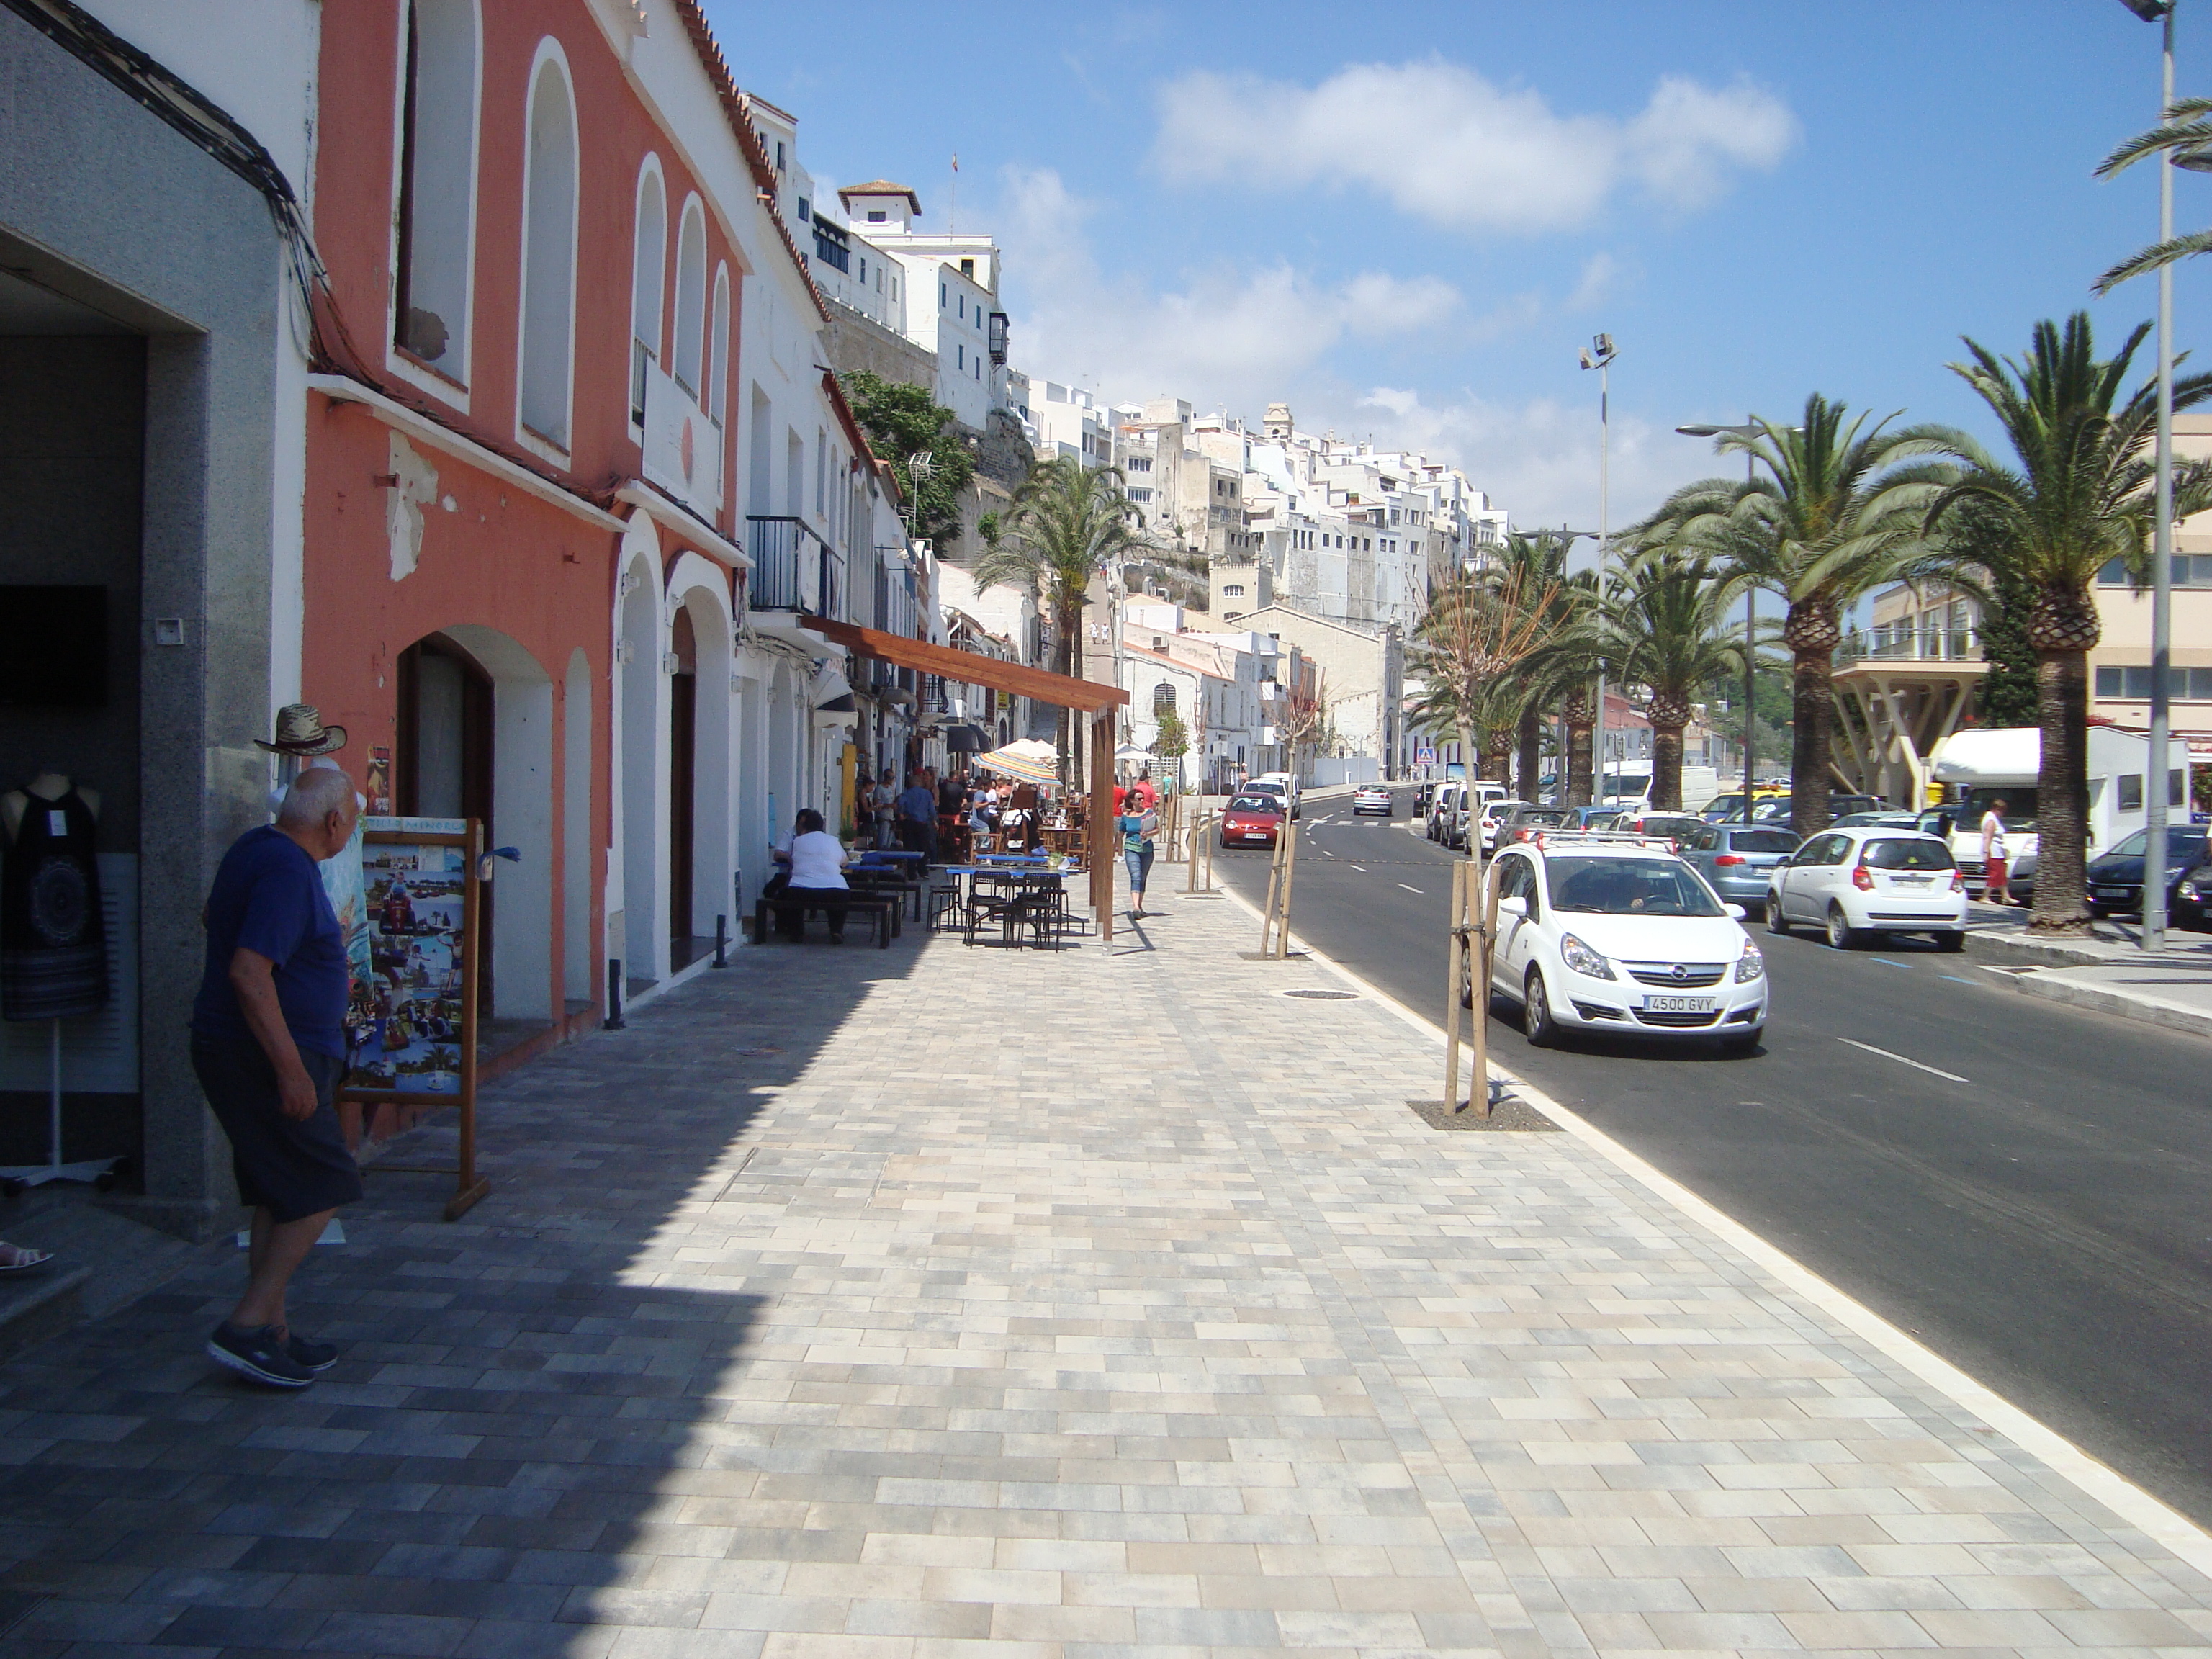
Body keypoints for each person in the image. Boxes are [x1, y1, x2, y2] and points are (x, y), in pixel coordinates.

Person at [189, 766, 363, 1388]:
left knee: (278, 1189)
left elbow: (214, 916)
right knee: (323, 1185)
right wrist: (291, 1072)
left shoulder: (255, 850)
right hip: (266, 1056)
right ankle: (246, 1324)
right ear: (335, 821)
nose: (352, 831)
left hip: (241, 1049)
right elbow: (247, 971)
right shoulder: (289, 869)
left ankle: (272, 1333)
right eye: (353, 821)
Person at [770, 808, 850, 940]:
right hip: (835, 890)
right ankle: (836, 931)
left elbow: (792, 858)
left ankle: (797, 932)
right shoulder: (833, 840)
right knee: (841, 895)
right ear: (822, 826)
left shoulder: (798, 842)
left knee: (791, 895)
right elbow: (844, 862)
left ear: (804, 827)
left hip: (801, 889)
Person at [1118, 795, 1159, 919]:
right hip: (1131, 848)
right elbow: (1120, 834)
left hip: (1147, 849)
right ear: (1132, 801)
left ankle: (1140, 906)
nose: (1142, 800)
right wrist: (1118, 852)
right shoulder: (1126, 816)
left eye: (1143, 798)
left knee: (1142, 877)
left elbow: (1157, 829)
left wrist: (1147, 833)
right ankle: (1135, 906)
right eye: (1139, 798)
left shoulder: (1149, 813)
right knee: (1135, 876)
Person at [895, 768, 940, 863]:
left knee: (910, 847)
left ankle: (911, 871)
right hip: (922, 823)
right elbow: (931, 810)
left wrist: (901, 814)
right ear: (919, 782)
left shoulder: (907, 793)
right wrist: (934, 820)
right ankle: (923, 869)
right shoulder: (927, 794)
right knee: (923, 846)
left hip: (909, 822)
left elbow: (899, 803)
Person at [1980, 797, 2013, 907]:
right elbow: (1987, 836)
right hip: (1993, 852)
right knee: (1995, 874)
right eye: (2002, 811)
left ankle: (2006, 896)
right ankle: (1985, 896)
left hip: (1999, 852)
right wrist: (1986, 851)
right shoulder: (1991, 820)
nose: (2002, 814)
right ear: (1997, 809)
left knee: (2002, 874)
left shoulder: (1992, 818)